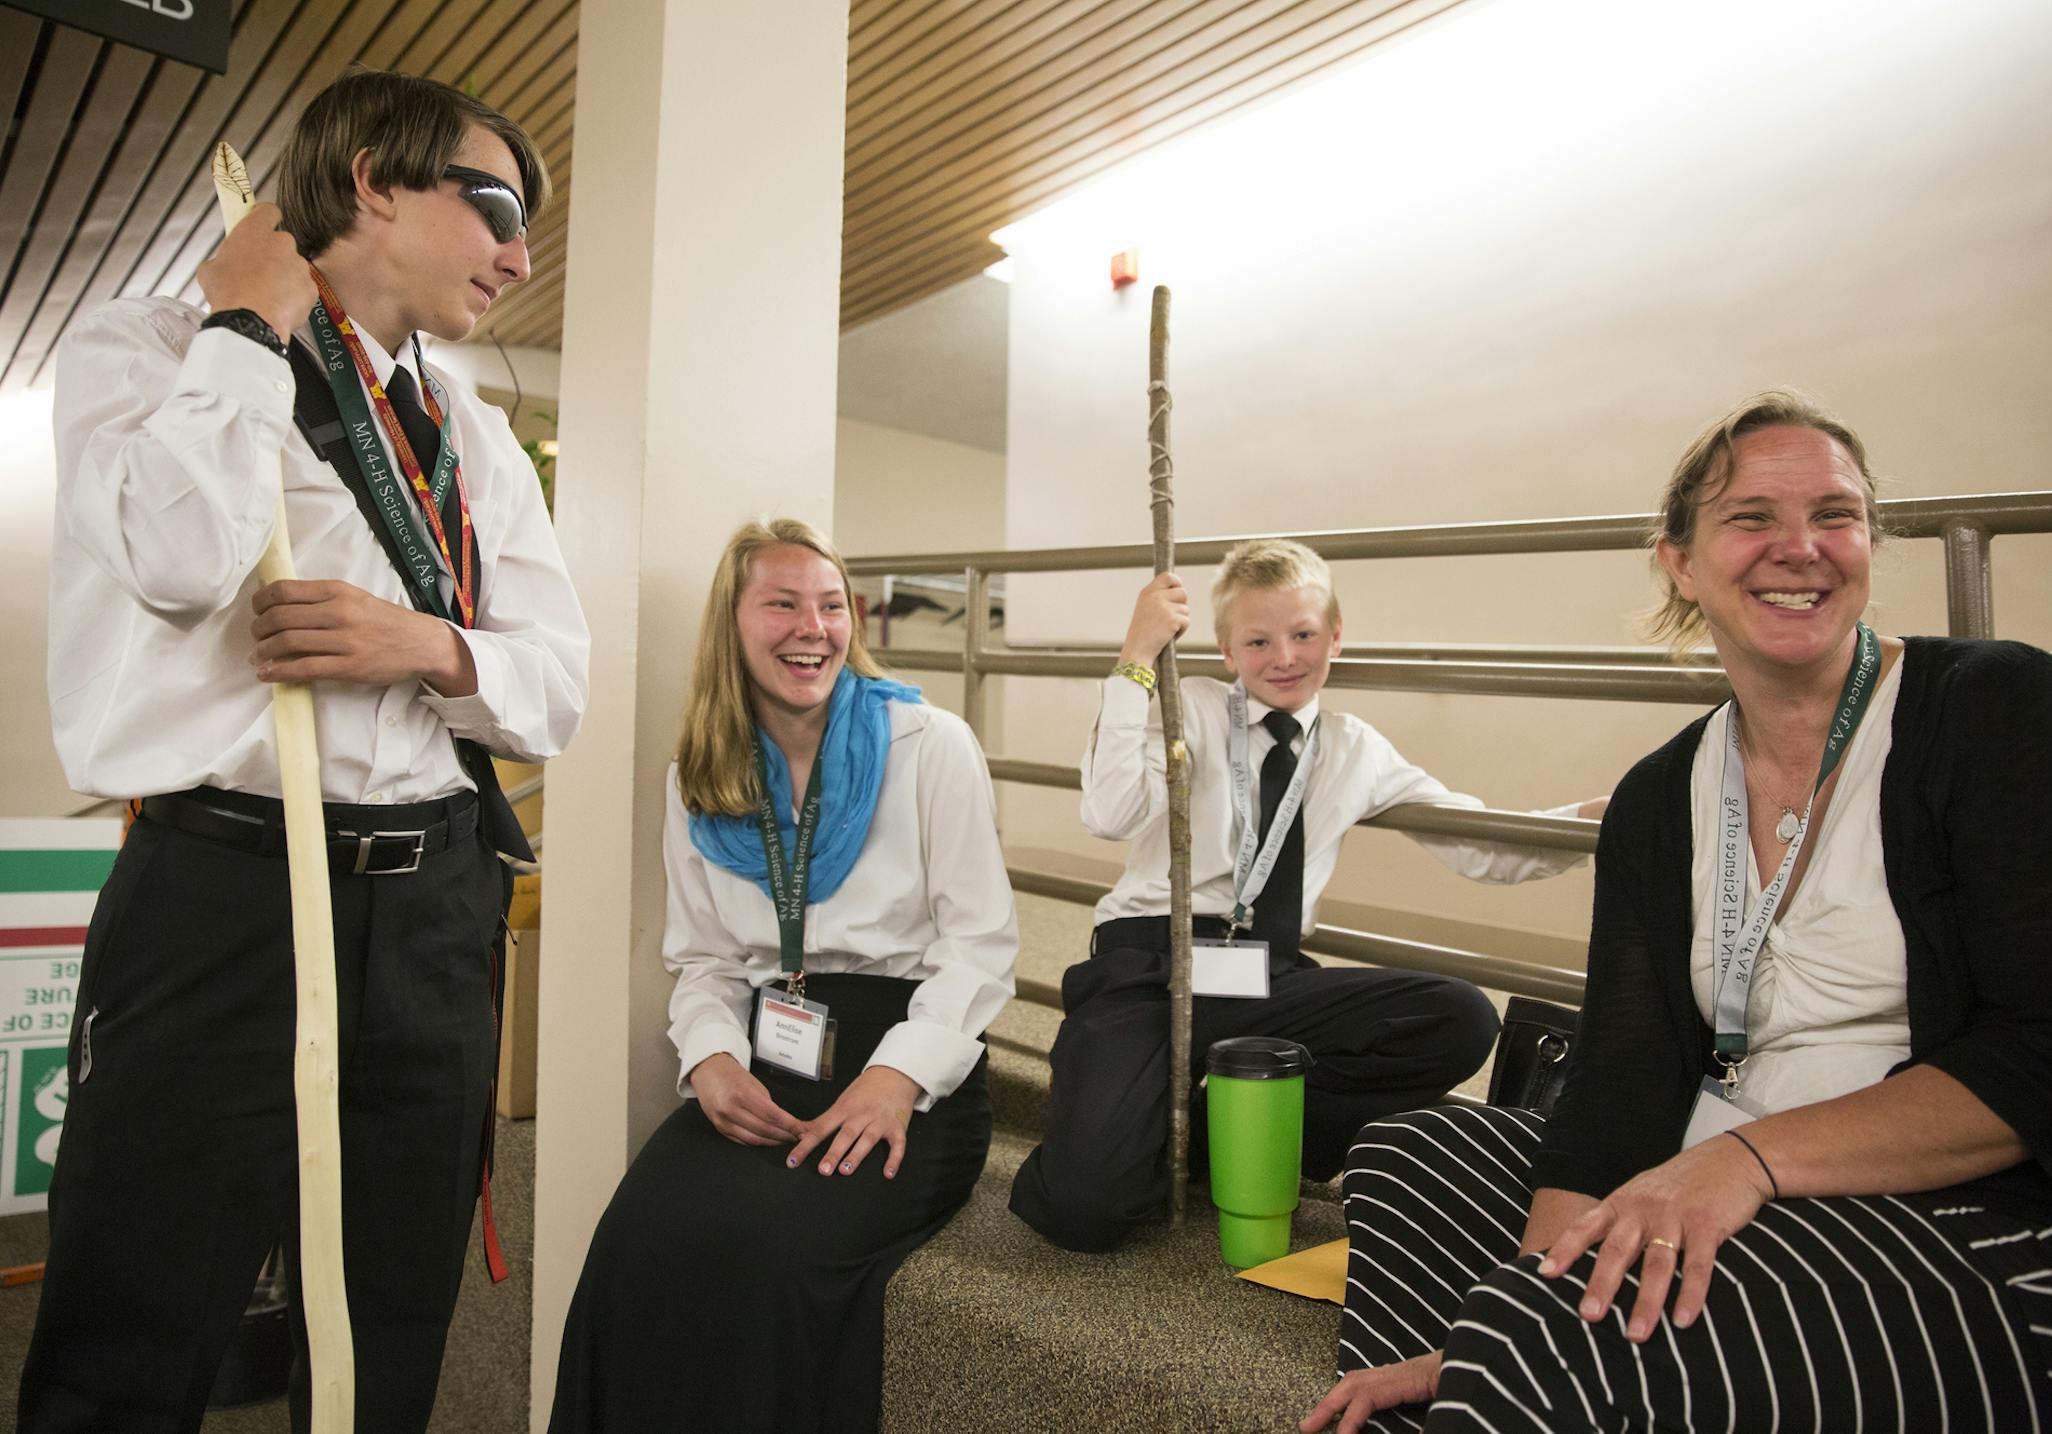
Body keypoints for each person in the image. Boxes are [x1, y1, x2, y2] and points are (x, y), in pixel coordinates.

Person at [1306, 390, 2052, 1434]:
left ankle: (1530, 1379)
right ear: (1680, 560)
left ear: (1869, 544)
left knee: (1563, 1339)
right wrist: (1524, 1300)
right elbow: (1620, 1084)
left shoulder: (1998, 708)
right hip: (1726, 1174)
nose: (1798, 547)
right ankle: (1507, 1379)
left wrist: (1744, 1164)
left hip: (1989, 1220)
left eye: (1835, 515)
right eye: (1752, 517)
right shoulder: (1665, 796)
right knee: (1415, 1156)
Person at [25, 69, 589, 1433]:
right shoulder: (148, 350)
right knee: (140, 1306)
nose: (521, 255)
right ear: (373, 183)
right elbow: (174, 559)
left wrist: (429, 648)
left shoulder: (474, 438)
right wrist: (244, 321)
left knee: (390, 1309)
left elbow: (554, 687)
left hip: (434, 903)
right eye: (496, 204)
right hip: (224, 898)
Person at [1008, 539, 1610, 1252]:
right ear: (1227, 651)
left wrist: (1598, 821)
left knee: (1461, 1017)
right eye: (1258, 641)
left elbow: (1481, 846)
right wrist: (1137, 658)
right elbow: (1108, 814)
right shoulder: (1188, 707)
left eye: (1303, 635)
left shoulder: (1355, 748)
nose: (1285, 657)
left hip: (1265, 973)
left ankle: (1205, 1140)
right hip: (1151, 963)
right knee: (1087, 1210)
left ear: (1336, 636)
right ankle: (1129, 1140)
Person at [549, 520, 1017, 1433]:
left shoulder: (931, 744)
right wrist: (711, 1063)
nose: (815, 627)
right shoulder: (700, 772)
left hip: (909, 1069)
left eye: (832, 605)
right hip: (770, 1053)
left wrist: (896, 1075)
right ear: (733, 624)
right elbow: (705, 960)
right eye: (783, 604)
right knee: (638, 1239)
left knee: (775, 1258)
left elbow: (982, 948)